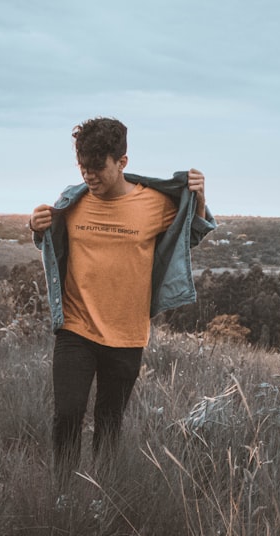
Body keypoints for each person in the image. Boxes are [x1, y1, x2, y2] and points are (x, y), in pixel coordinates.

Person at [28, 117, 216, 490]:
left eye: (98, 168)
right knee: (67, 414)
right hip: (75, 329)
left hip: (127, 334)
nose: (90, 176)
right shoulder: (73, 200)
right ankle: (63, 494)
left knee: (109, 421)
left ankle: (102, 497)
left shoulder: (155, 203)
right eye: (83, 167)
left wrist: (199, 197)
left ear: (122, 162)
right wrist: (36, 228)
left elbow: (191, 234)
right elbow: (52, 243)